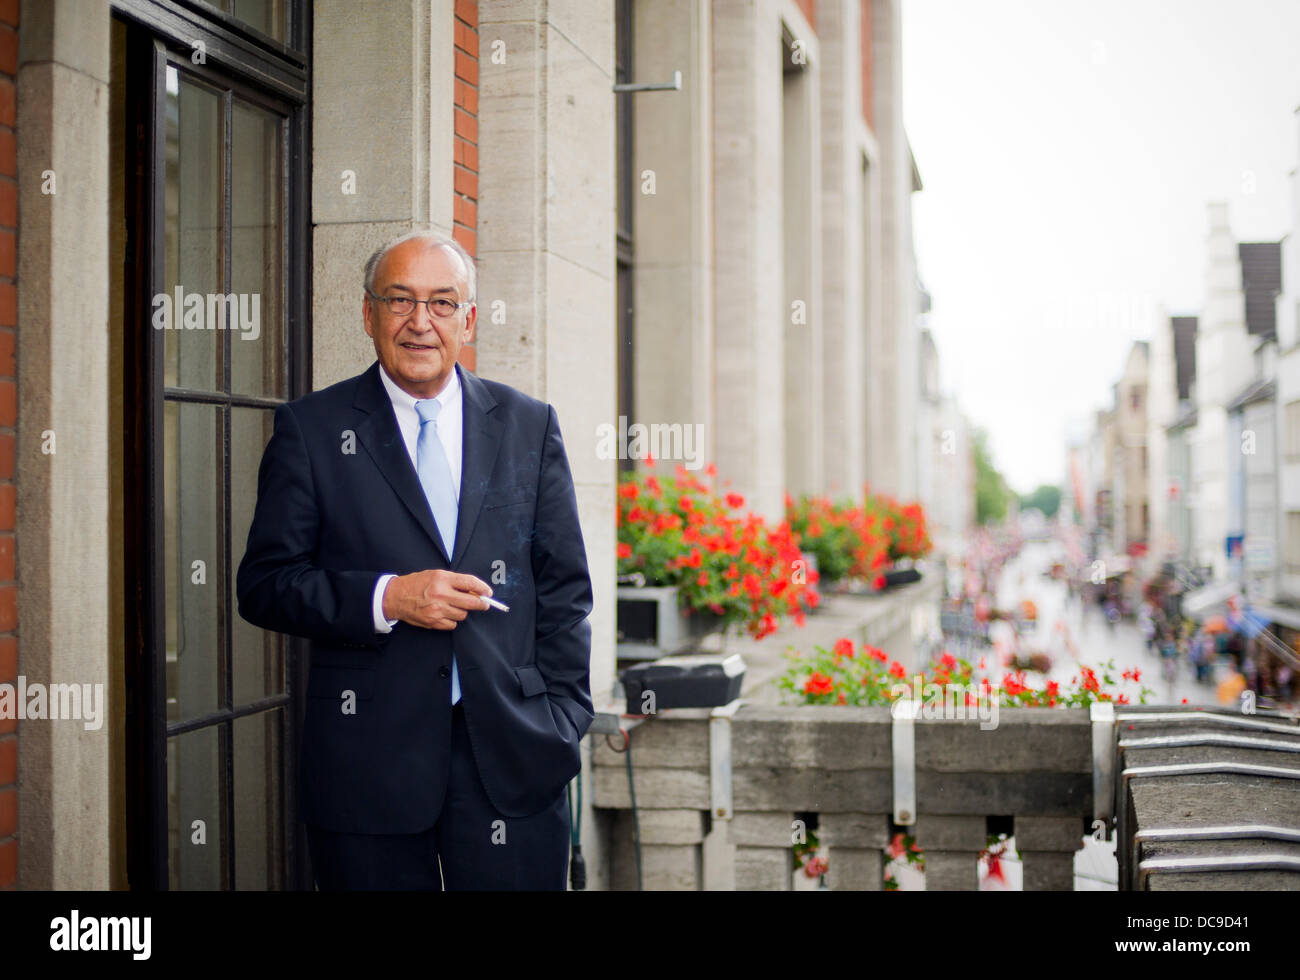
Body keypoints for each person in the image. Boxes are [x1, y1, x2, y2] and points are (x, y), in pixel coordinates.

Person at [236, 231, 593, 890]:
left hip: (513, 754)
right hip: (367, 764)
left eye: (441, 303)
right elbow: (263, 586)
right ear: (368, 314)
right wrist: (387, 599)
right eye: (399, 301)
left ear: (469, 319)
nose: (420, 323)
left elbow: (566, 589)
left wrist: (566, 718)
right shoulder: (311, 430)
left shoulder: (527, 424)